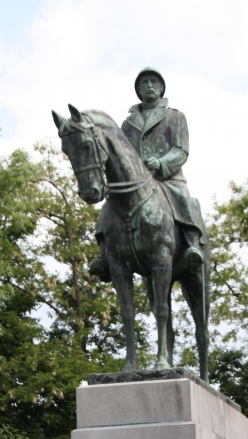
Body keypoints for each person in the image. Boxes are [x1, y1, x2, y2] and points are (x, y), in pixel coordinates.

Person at [89, 67, 206, 281]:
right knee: (109, 204)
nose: (149, 86)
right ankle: (104, 255)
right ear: (139, 90)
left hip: (168, 178)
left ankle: (193, 243)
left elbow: (181, 150)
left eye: (153, 82)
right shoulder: (127, 124)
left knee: (183, 197)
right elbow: (120, 153)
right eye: (144, 83)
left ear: (161, 88)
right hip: (137, 182)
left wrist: (161, 162)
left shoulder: (175, 116)